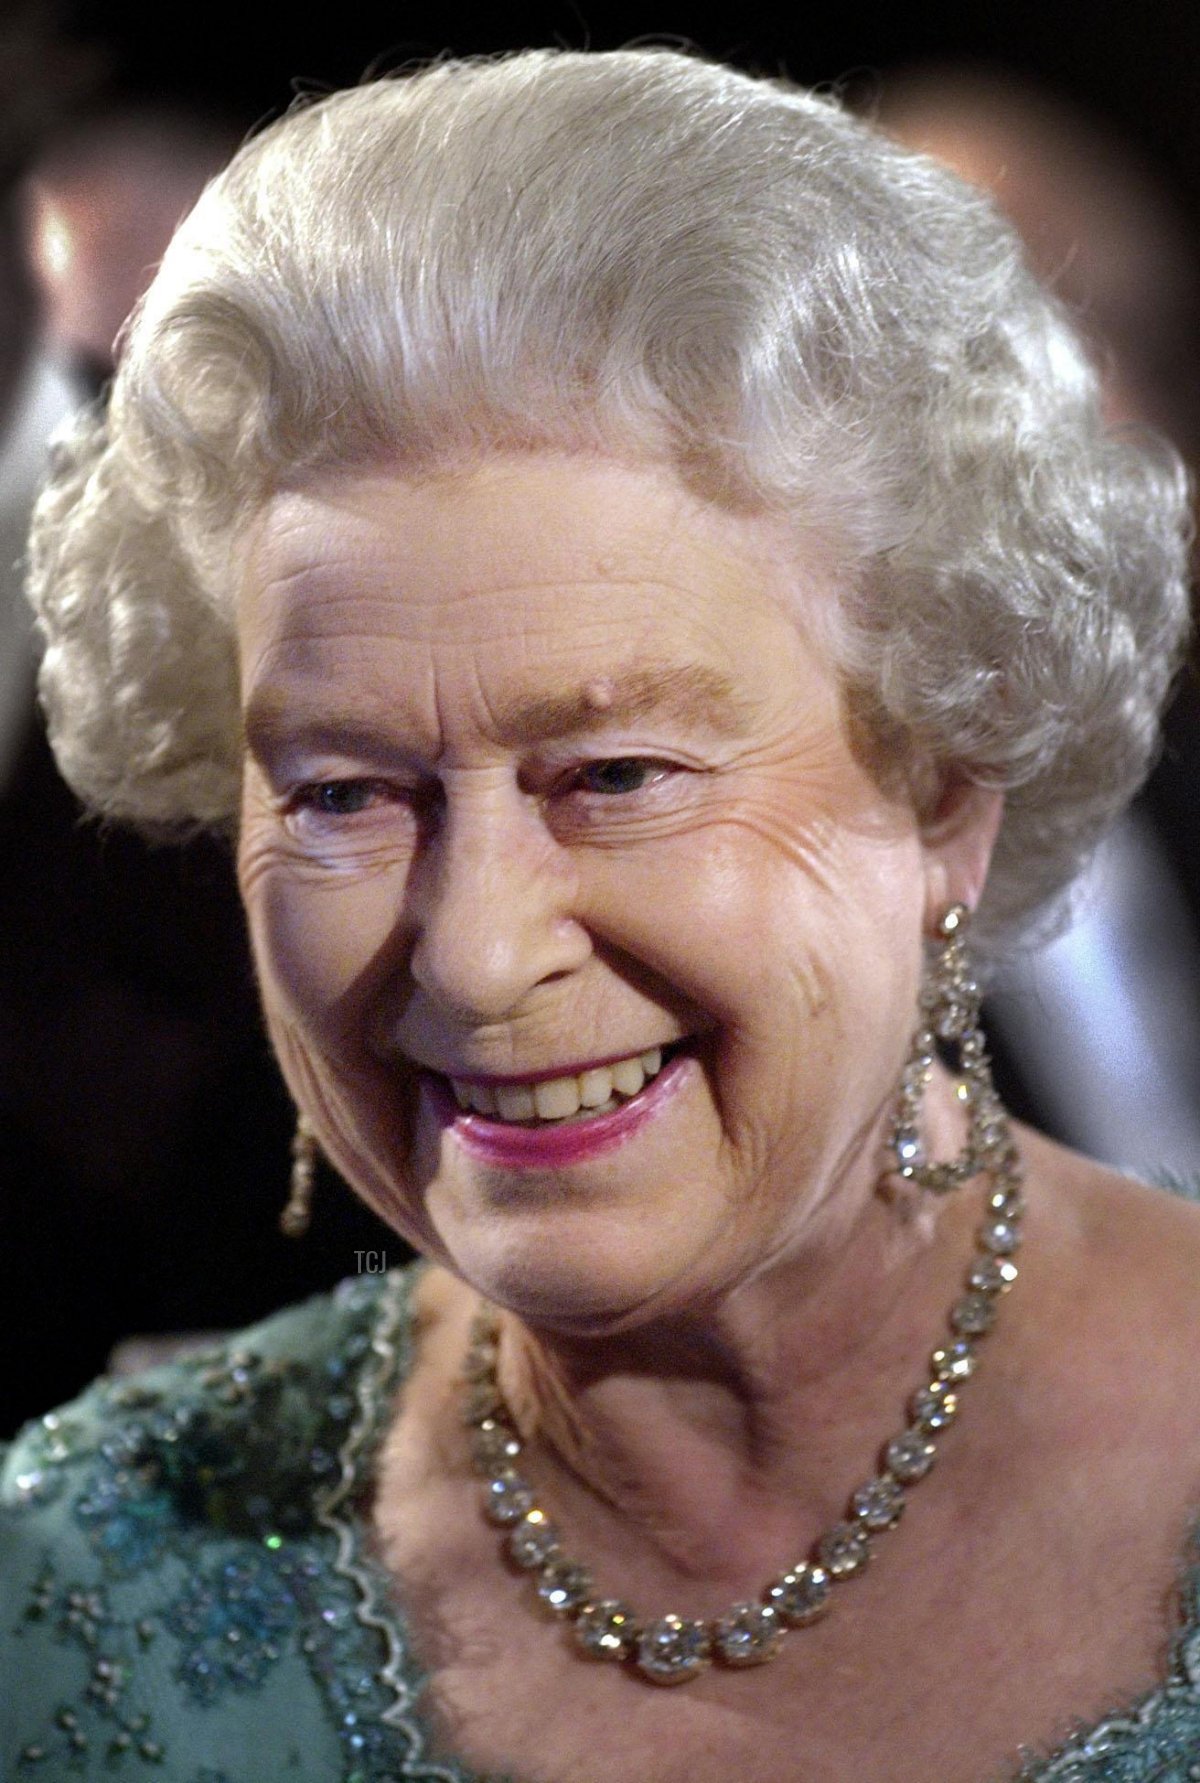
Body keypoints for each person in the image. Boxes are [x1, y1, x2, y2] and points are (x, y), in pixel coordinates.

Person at [1, 47, 1196, 1780]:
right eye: (343, 794)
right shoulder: (75, 1604)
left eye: (617, 775)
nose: (476, 955)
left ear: (944, 789)